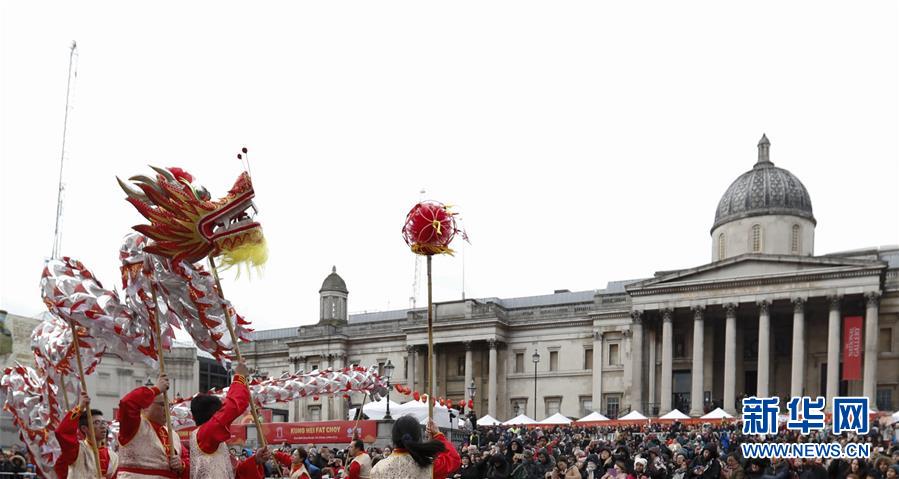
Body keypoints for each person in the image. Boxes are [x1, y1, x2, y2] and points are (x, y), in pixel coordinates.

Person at [116, 373, 188, 479]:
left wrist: (182, 465)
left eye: (169, 405)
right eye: (162, 405)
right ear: (145, 406)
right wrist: (155, 390)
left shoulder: (173, 434)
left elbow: (187, 462)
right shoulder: (134, 425)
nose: (167, 409)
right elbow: (127, 403)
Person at [189, 360, 251, 477]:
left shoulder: (206, 436)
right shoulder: (206, 433)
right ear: (215, 414)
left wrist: (256, 459)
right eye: (220, 411)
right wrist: (239, 377)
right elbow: (233, 406)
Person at [370, 416, 461, 479]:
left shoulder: (377, 469)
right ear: (418, 437)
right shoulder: (428, 466)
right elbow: (453, 459)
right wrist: (438, 435)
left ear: (394, 438)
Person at [54, 391, 118, 478]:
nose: (103, 426)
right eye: (96, 422)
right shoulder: (77, 450)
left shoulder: (113, 457)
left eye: (104, 423)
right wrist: (80, 408)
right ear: (84, 428)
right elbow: (62, 432)